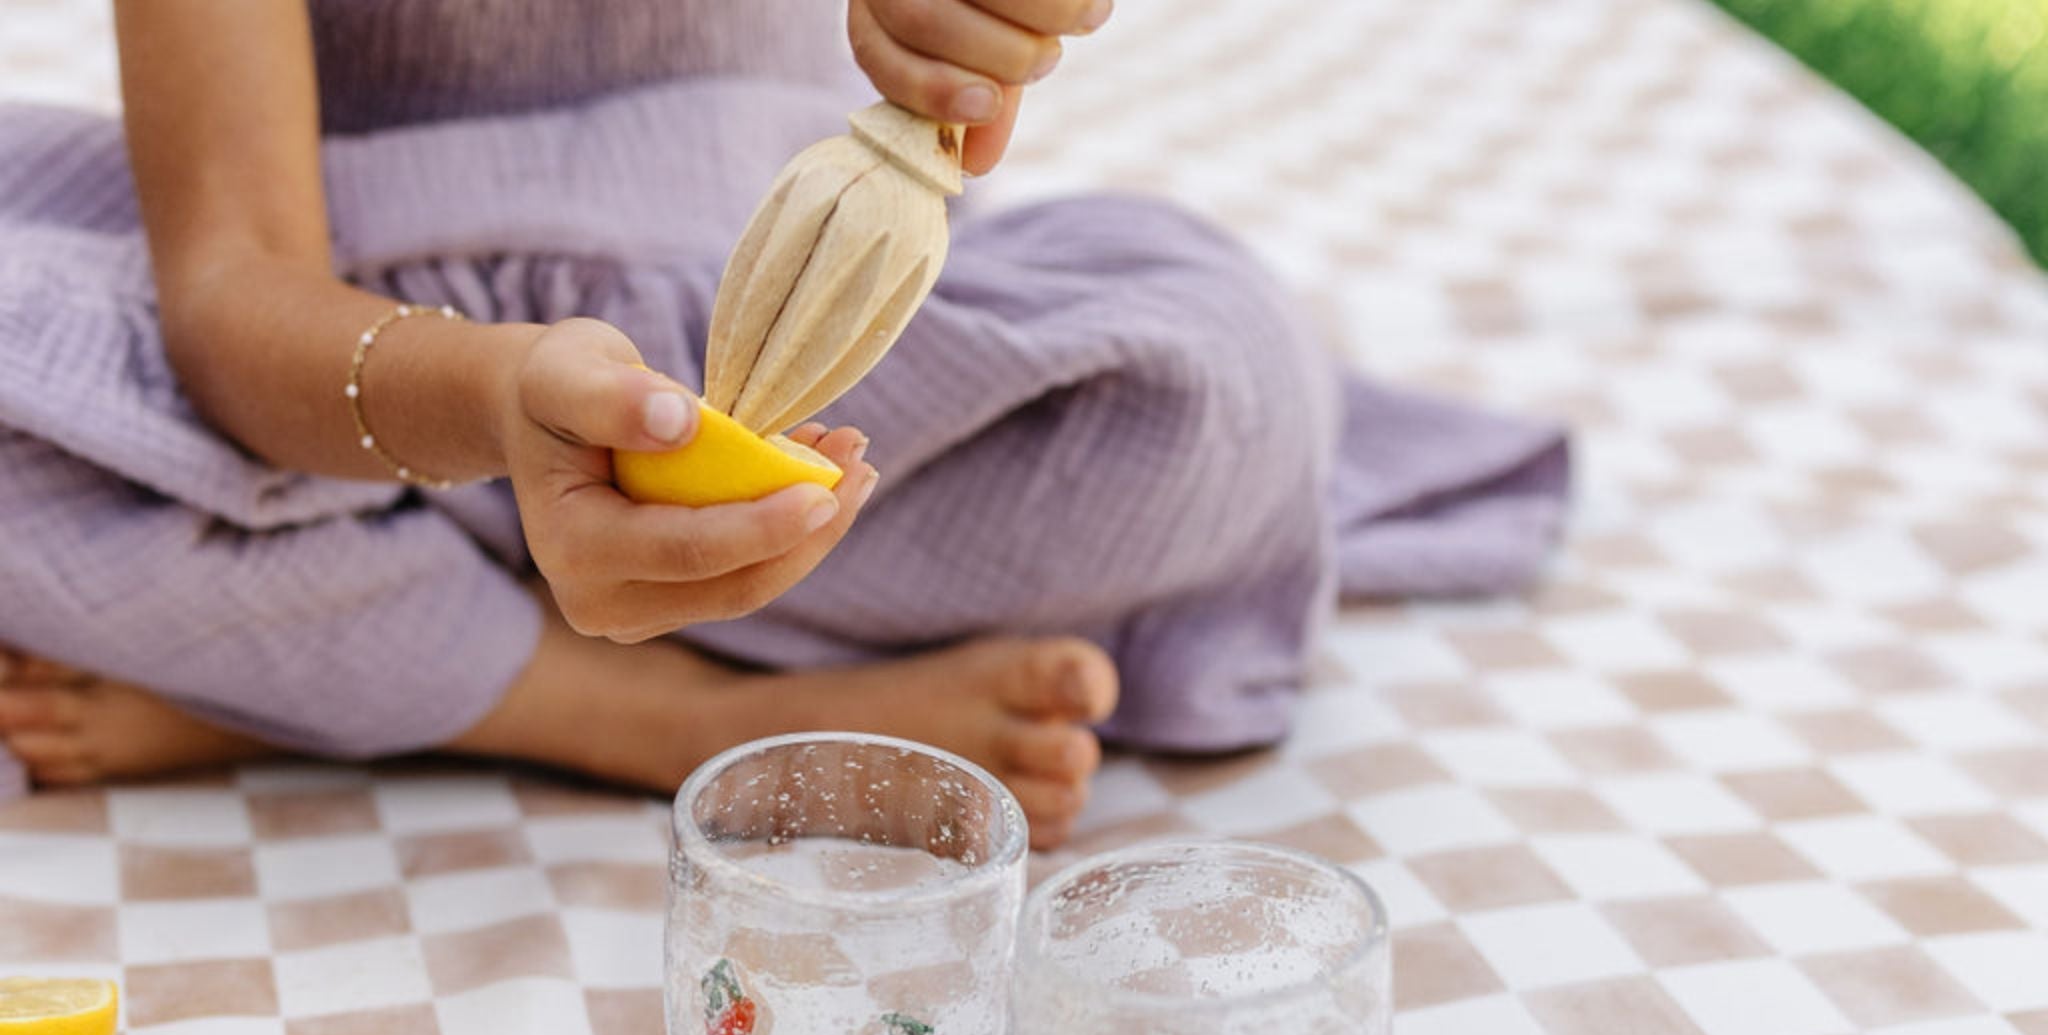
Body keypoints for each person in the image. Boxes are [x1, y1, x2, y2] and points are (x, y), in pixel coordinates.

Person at [0, 0, 1568, 847]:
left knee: (1222, 380)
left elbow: (947, 79)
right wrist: (496, 399)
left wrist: (972, 45)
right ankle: (669, 720)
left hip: (784, 338)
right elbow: (227, 296)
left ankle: (321, 649)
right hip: (378, 364)